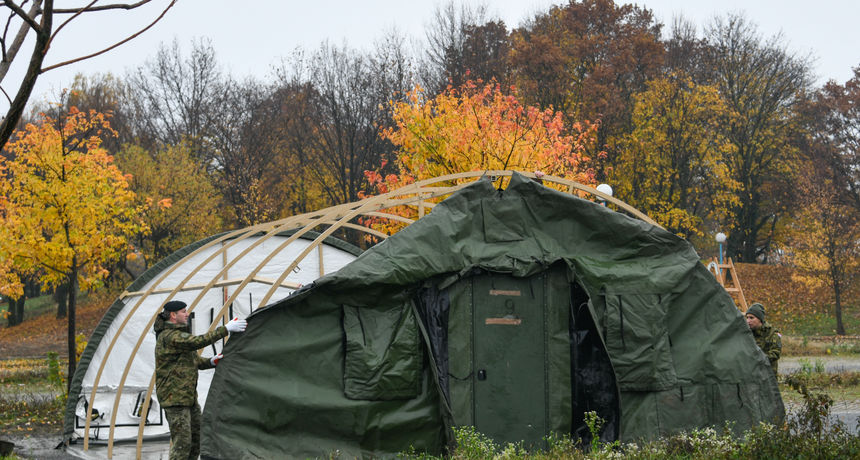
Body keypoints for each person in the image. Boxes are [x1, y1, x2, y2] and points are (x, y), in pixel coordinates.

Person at [154, 300, 247, 460]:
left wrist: (211, 361)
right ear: (173, 315)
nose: (187, 314)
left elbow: (194, 361)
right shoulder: (169, 336)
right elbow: (198, 342)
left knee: (196, 440)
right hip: (174, 399)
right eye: (183, 311)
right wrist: (225, 329)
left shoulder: (179, 337)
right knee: (182, 444)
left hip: (188, 398)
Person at [745, 302, 781, 375]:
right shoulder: (746, 333)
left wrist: (757, 359)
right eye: (747, 317)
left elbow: (775, 353)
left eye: (751, 318)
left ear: (760, 319)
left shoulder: (772, 334)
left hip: (767, 376)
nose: (748, 321)